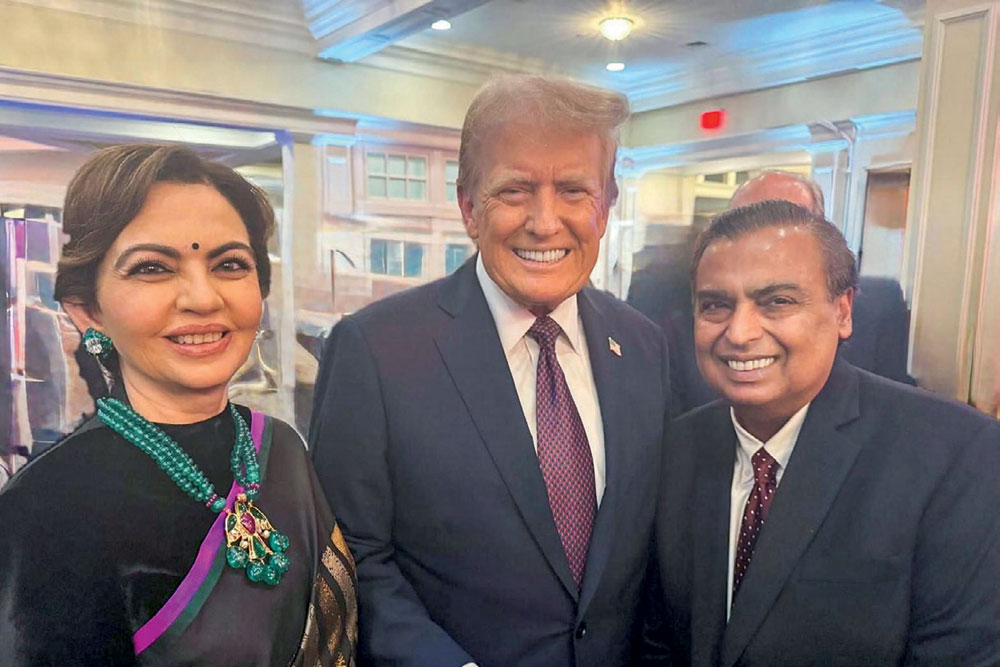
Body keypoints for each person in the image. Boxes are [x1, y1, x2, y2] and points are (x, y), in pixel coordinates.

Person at [310, 75, 671, 666]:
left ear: (606, 207)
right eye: (515, 190)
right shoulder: (374, 350)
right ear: (469, 207)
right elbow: (353, 558)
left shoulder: (643, 345)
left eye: (575, 190)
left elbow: (652, 552)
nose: (545, 221)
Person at [0, 145, 357, 665]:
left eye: (230, 264)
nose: (203, 298)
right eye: (153, 268)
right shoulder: (46, 508)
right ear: (88, 310)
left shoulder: (280, 450)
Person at [643, 200, 1000, 665]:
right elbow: (658, 642)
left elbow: (961, 653)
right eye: (716, 305)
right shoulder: (677, 449)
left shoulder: (954, 453)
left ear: (843, 311)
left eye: (778, 302)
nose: (740, 331)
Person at [731, 170, 914, 385]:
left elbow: (894, 398)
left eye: (786, 224)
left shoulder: (878, 305)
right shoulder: (694, 322)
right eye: (746, 226)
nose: (767, 242)